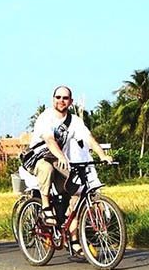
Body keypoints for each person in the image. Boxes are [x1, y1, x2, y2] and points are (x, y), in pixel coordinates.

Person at [29, 85, 112, 255]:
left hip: (61, 160)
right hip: (39, 158)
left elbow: (89, 138)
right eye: (58, 97)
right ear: (53, 99)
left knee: (76, 192)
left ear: (71, 102)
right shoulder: (45, 118)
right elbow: (50, 140)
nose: (61, 101)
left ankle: (73, 237)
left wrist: (102, 155)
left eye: (65, 98)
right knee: (46, 168)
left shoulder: (75, 121)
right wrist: (61, 157)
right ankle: (45, 206)